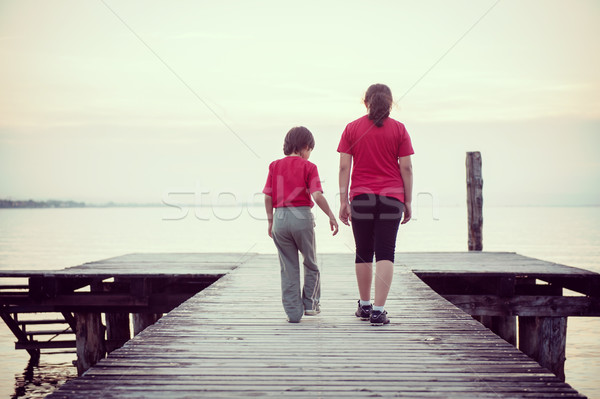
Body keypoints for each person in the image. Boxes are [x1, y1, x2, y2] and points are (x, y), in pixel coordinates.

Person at [337, 84, 414, 326]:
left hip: (361, 197)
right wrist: (408, 201)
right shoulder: (399, 129)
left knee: (363, 251)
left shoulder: (351, 128)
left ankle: (365, 305)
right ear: (390, 103)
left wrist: (343, 201)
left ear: (365, 101)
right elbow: (407, 168)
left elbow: (343, 167)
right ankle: (379, 312)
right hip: (392, 198)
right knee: (385, 251)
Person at [264, 126, 339, 323]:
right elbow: (316, 195)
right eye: (310, 151)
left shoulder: (274, 166)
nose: (309, 155)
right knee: (311, 262)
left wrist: (270, 221)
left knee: (288, 267)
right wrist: (331, 215)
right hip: (302, 218)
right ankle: (311, 305)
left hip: (280, 219)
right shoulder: (309, 167)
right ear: (306, 147)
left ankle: (293, 313)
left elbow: (267, 196)